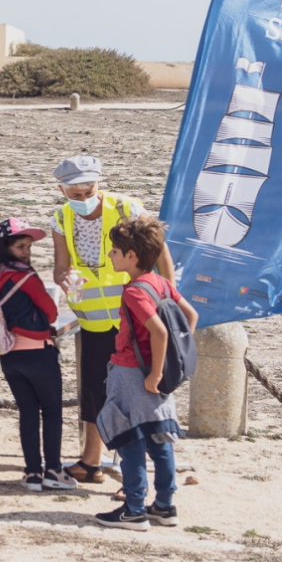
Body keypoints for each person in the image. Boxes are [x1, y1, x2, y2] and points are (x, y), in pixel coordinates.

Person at [51, 155, 175, 484]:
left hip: (133, 319)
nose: (81, 199)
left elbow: (160, 250)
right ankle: (91, 462)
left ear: (98, 184)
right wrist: (64, 278)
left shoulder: (126, 208)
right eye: (73, 194)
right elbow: (60, 265)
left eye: (87, 191)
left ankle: (128, 471)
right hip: (91, 321)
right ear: (61, 189)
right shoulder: (61, 218)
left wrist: (168, 294)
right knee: (94, 391)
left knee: (132, 392)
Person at [94, 217, 198, 531]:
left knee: (130, 440)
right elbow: (190, 315)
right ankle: (165, 505)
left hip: (132, 374)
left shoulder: (134, 292)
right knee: (159, 439)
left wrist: (153, 373)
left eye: (115, 251)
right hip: (158, 376)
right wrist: (174, 362)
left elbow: (159, 331)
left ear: (132, 257)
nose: (111, 255)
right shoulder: (162, 283)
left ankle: (134, 508)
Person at [0, 218, 76, 491]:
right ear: (6, 246)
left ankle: (31, 473)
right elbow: (51, 312)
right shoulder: (25, 276)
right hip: (38, 352)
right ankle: (53, 470)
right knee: (52, 411)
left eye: (28, 246)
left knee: (28, 412)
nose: (27, 252)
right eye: (21, 246)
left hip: (8, 355)